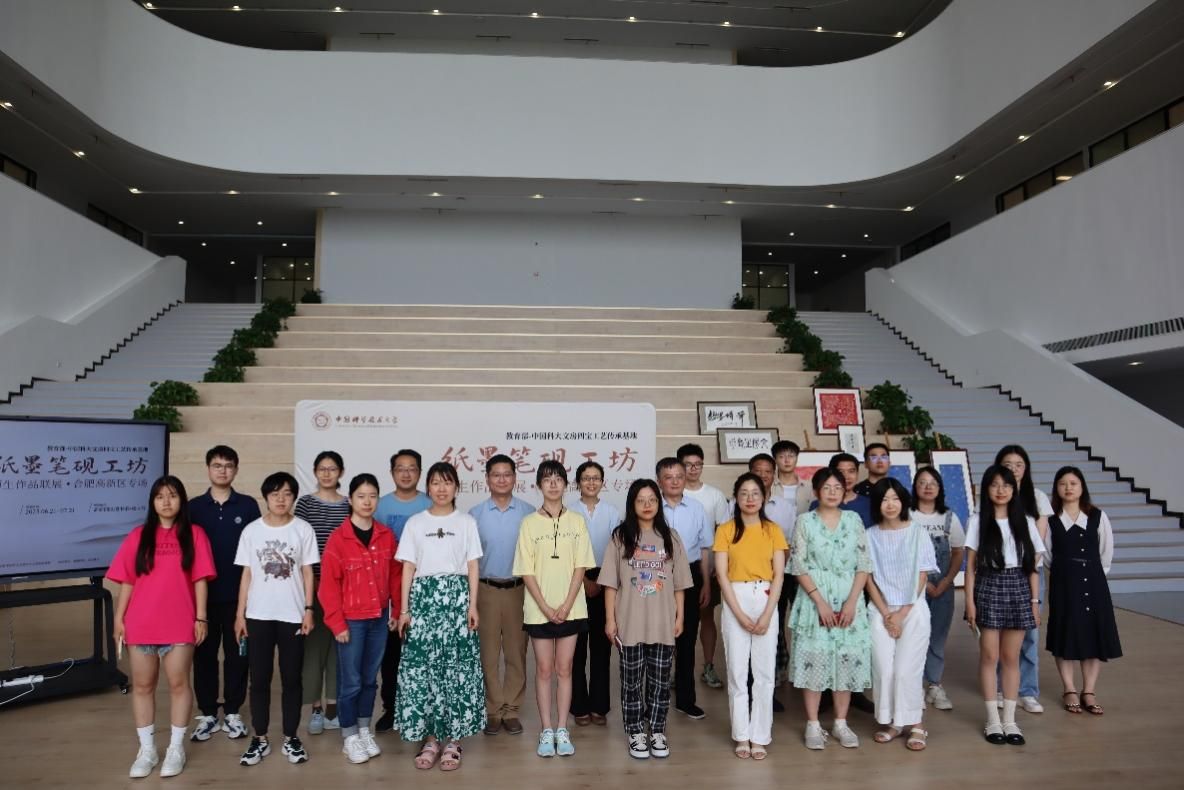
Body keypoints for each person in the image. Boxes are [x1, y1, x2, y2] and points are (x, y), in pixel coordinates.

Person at [108, 476, 216, 779]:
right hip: (141, 623)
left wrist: (201, 617)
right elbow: (128, 581)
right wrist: (119, 618)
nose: (166, 502)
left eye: (172, 495)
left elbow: (200, 579)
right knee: (143, 686)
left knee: (179, 684)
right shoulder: (138, 536)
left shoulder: (195, 534)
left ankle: (175, 748)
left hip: (179, 622)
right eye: (159, 497)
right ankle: (147, 750)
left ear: (182, 500)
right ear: (152, 502)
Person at [395, 462, 485, 771]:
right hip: (423, 602)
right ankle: (431, 738)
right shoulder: (415, 523)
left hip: (457, 600)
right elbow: (408, 567)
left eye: (447, 482)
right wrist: (404, 610)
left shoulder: (466, 522)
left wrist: (473, 605)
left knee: (456, 669)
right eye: (435, 482)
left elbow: (472, 565)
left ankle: (454, 740)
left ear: (456, 487)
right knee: (426, 670)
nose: (441, 488)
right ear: (428, 487)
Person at [600, 479, 692, 760]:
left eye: (652, 499)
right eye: (641, 500)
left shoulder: (671, 537)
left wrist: (680, 616)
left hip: (663, 623)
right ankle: (635, 732)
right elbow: (610, 584)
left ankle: (658, 731)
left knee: (660, 682)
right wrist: (610, 620)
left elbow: (679, 584)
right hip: (630, 622)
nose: (647, 505)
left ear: (658, 503)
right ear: (632, 504)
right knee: (631, 682)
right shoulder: (620, 537)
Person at [233, 472, 318, 766]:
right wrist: (240, 614)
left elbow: (308, 572)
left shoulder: (303, 529)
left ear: (294, 497)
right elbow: (246, 574)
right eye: (275, 494)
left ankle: (291, 737)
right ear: (266, 497)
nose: (281, 499)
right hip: (258, 615)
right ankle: (260, 738)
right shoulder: (252, 531)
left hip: (292, 615)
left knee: (292, 678)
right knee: (259, 679)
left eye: (287, 494)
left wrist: (309, 609)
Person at [513, 460, 597, 758]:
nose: (552, 484)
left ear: (566, 485)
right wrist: (546, 607)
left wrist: (565, 605)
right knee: (544, 669)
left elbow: (580, 566)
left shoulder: (577, 521)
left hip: (571, 609)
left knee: (565, 668)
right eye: (547, 479)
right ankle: (546, 730)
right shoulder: (528, 523)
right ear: (538, 485)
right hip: (539, 610)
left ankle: (562, 728)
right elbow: (526, 571)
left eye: (558, 479)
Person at [318, 473, 402, 765]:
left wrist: (396, 610)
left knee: (369, 680)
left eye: (372, 496)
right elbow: (328, 586)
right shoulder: (338, 539)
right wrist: (336, 623)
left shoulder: (385, 536)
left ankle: (364, 730)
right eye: (361, 496)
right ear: (351, 500)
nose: (367, 502)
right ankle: (349, 735)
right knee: (351, 681)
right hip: (351, 621)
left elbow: (395, 577)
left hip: (379, 619)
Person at [789, 467, 872, 751]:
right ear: (816, 492)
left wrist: (852, 601)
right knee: (814, 659)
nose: (833, 492)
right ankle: (813, 724)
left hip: (850, 598)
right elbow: (798, 564)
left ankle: (841, 723)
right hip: (815, 600)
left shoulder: (854, 519)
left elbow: (863, 563)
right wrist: (820, 602)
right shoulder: (804, 521)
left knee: (846, 660)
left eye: (838, 487)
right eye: (827, 487)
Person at [964, 465, 1046, 746]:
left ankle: (1010, 720)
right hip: (989, 585)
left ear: (1014, 490)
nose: (1001, 490)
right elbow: (970, 567)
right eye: (995, 484)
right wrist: (970, 603)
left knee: (1011, 657)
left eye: (1006, 485)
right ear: (986, 489)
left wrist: (1034, 602)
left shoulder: (1025, 521)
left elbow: (1032, 567)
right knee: (989, 656)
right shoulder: (978, 521)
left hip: (1018, 586)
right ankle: (992, 720)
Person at [713, 473, 787, 760]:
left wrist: (767, 615)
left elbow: (779, 575)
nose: (750, 498)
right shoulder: (726, 530)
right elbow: (721, 575)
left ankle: (760, 736)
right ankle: (742, 735)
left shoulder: (773, 530)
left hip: (766, 597)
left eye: (755, 493)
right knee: (737, 672)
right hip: (736, 597)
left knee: (765, 674)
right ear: (736, 497)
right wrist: (740, 614)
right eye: (744, 493)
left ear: (764, 497)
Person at [188, 445, 260, 742]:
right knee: (203, 657)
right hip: (201, 600)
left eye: (228, 465)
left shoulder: (248, 506)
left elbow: (257, 552)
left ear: (236, 470)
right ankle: (207, 713)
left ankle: (232, 712)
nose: (223, 470)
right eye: (217, 465)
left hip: (238, 599)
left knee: (237, 657)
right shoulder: (193, 508)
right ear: (208, 469)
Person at [865, 478, 937, 752]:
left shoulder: (917, 532)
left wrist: (902, 613)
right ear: (877, 504)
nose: (890, 504)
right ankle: (894, 722)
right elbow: (867, 578)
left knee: (907, 670)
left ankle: (916, 723)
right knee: (884, 668)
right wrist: (886, 614)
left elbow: (922, 575)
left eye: (895, 498)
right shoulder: (869, 535)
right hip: (880, 609)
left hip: (913, 609)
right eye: (884, 499)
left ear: (903, 501)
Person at [1045, 466, 1122, 716]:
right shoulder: (1051, 519)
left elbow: (1106, 552)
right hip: (1064, 584)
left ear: (1082, 487)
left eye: (1073, 483)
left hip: (1094, 583)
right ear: (1056, 488)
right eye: (1062, 483)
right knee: (1065, 633)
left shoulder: (1097, 516)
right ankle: (1069, 688)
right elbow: (1047, 555)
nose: (1068, 488)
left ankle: (1089, 690)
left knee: (1093, 634)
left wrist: (1091, 573)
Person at [469, 454, 534, 736]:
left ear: (515, 478)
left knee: (516, 652)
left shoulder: (529, 512)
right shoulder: (474, 515)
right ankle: (493, 710)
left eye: (507, 474)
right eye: (496, 474)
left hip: (520, 590)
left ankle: (512, 709)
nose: (502, 479)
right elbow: (469, 560)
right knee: (488, 653)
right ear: (487, 479)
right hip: (486, 590)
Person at [374, 449, 433, 733]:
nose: (406, 473)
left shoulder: (430, 504)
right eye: (400, 468)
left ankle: (424, 708)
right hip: (390, 590)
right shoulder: (380, 506)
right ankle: (391, 707)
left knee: (423, 653)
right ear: (392, 473)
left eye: (412, 468)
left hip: (425, 589)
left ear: (420, 473)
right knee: (392, 654)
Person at [295, 450, 350, 735]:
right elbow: (299, 545)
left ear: (341, 472)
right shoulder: (305, 504)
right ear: (315, 472)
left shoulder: (349, 505)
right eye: (322, 469)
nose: (327, 473)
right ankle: (316, 709)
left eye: (332, 469)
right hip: (312, 586)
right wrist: (311, 586)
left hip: (343, 588)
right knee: (314, 651)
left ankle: (333, 708)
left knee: (338, 650)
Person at [995, 444, 1053, 714]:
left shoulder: (1037, 497)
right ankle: (1000, 686)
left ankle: (1027, 691)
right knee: (999, 632)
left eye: (1019, 464)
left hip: (1029, 572)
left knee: (1029, 633)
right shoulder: (994, 493)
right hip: (999, 573)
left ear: (1026, 468)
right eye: (1008, 465)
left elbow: (1038, 539)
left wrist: (1026, 565)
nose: (1014, 469)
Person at [656, 456, 714, 720]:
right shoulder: (650, 505)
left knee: (687, 639)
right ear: (659, 481)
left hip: (690, 576)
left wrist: (706, 584)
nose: (675, 481)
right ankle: (654, 700)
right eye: (668, 477)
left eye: (679, 476)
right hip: (655, 576)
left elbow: (704, 548)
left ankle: (685, 699)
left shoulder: (697, 508)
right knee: (656, 639)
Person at [568, 460, 621, 726]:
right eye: (586, 478)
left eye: (596, 478)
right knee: (576, 650)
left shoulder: (612, 512)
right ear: (578, 482)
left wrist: (602, 581)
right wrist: (584, 582)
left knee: (601, 649)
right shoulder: (568, 511)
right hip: (575, 581)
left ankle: (600, 706)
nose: (591, 482)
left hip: (605, 581)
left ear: (602, 482)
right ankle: (579, 707)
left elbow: (617, 550)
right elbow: (566, 552)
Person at [911, 466, 965, 711]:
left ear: (940, 488)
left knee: (938, 636)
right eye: (922, 482)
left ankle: (934, 684)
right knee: (913, 636)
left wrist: (945, 581)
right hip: (914, 587)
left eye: (933, 482)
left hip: (943, 587)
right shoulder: (907, 515)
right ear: (915, 487)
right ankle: (914, 687)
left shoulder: (949, 517)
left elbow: (958, 552)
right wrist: (923, 583)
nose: (928, 487)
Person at [677, 443, 729, 691]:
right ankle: (677, 670)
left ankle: (708, 666)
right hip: (674, 568)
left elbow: (723, 533)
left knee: (706, 617)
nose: (693, 469)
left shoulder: (714, 495)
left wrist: (717, 565)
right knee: (675, 618)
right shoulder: (671, 492)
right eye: (688, 465)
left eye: (697, 464)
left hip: (705, 566)